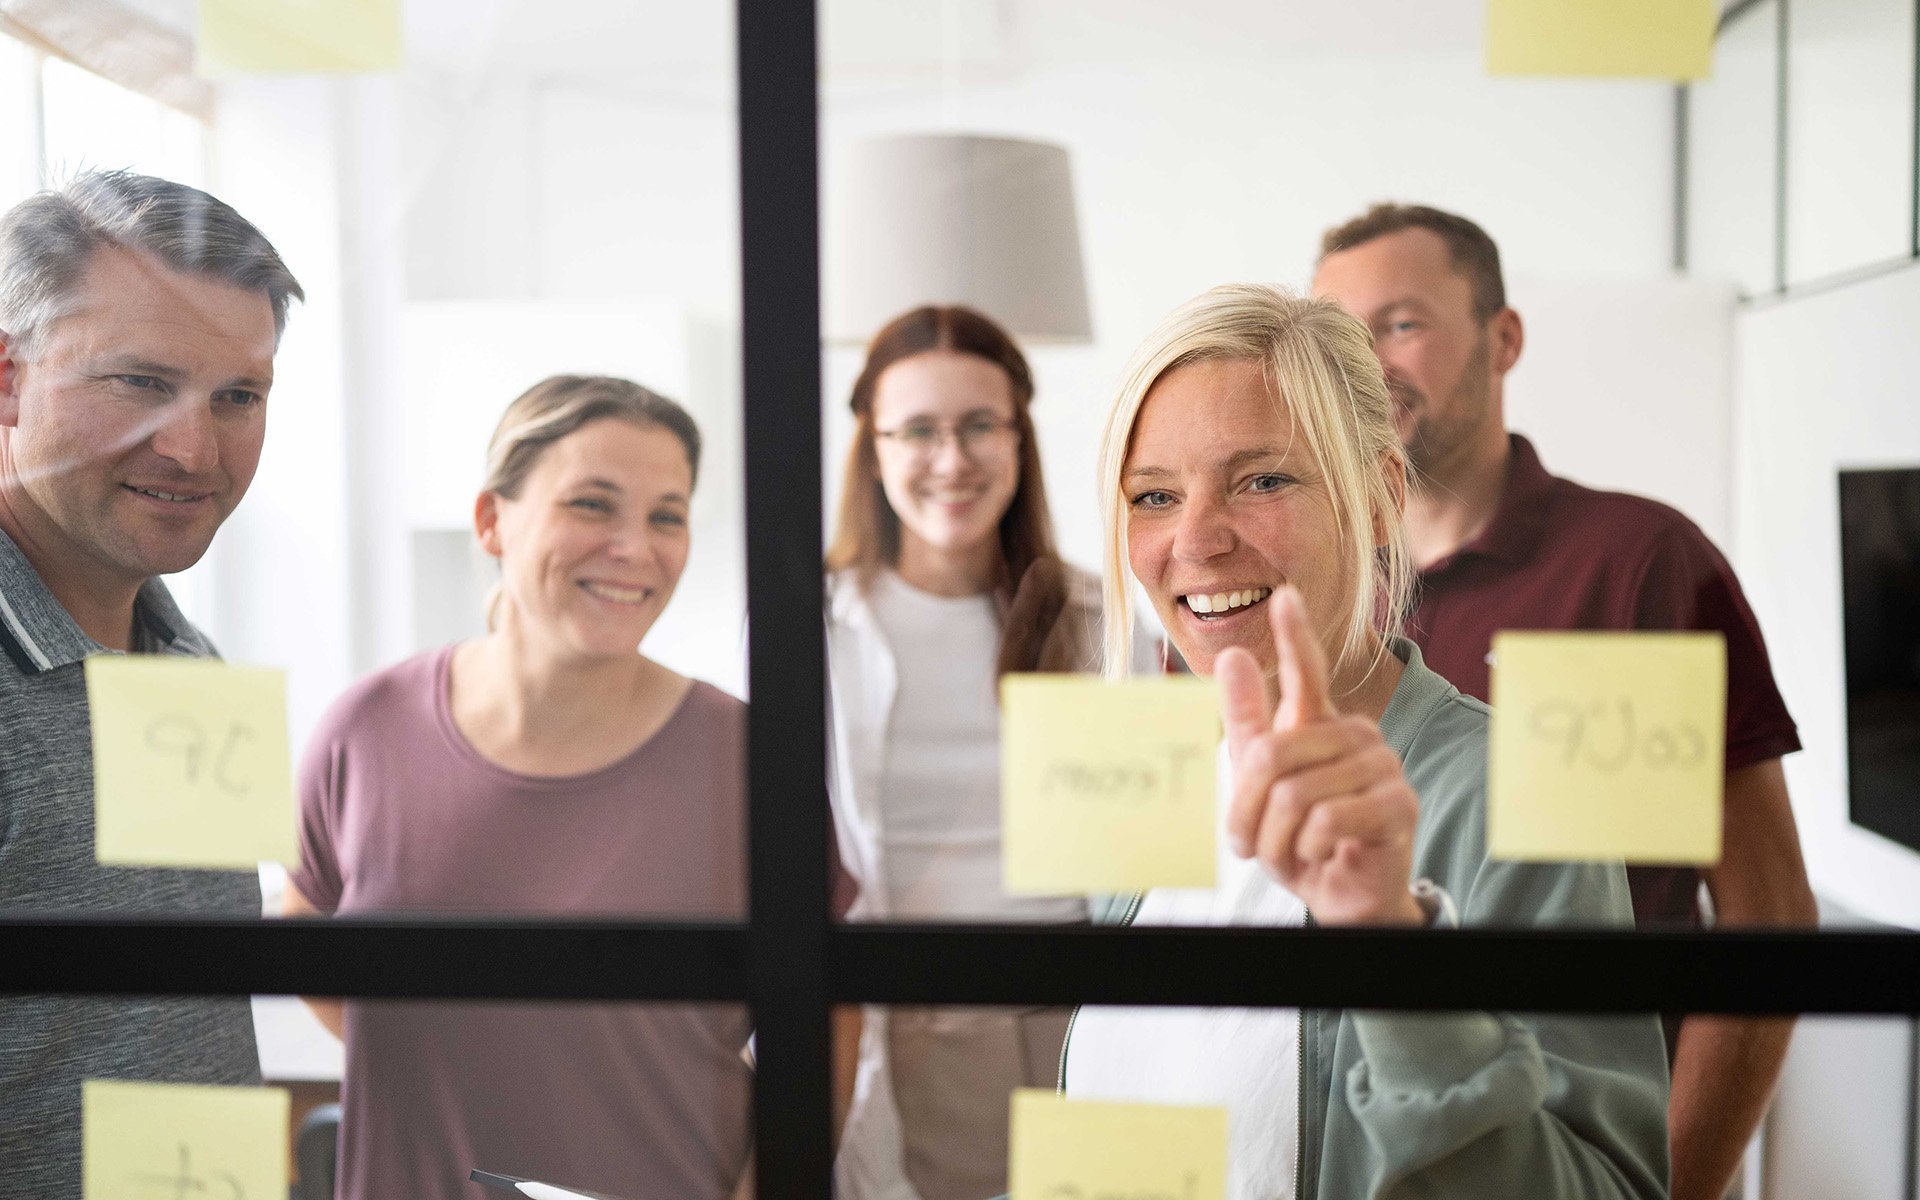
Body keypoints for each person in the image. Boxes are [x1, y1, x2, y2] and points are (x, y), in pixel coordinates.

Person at [1059, 283, 1669, 1199]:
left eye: (1262, 480)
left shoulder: (1509, 796)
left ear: (1380, 496)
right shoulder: (1156, 783)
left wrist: (1388, 945)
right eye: (1153, 495)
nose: (1195, 540)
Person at [1312, 203, 1817, 1200]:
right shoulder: (1305, 591)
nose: (1366, 364)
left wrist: (1675, 1187)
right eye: (1338, 335)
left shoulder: (1641, 566)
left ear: (1504, 339)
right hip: (1357, 1148)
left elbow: (1769, 920)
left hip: (1586, 1150)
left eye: (1401, 322)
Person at [283, 376, 752, 1200]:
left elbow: (823, 1018)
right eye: (593, 504)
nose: (635, 546)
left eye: (666, 516)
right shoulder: (367, 727)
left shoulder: (743, 755)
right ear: (492, 520)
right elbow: (302, 939)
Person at [0, 170, 302, 1198]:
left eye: (238, 397)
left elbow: (192, 1027)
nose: (193, 449)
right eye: (137, 382)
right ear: (7, 378)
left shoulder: (190, 662)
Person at [826, 305, 1146, 1200]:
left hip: (1080, 1012)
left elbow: (1156, 852)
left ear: (1019, 439)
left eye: (979, 426)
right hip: (909, 1022)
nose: (951, 459)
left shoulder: (1100, 621)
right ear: (873, 444)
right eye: (918, 430)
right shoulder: (811, 630)